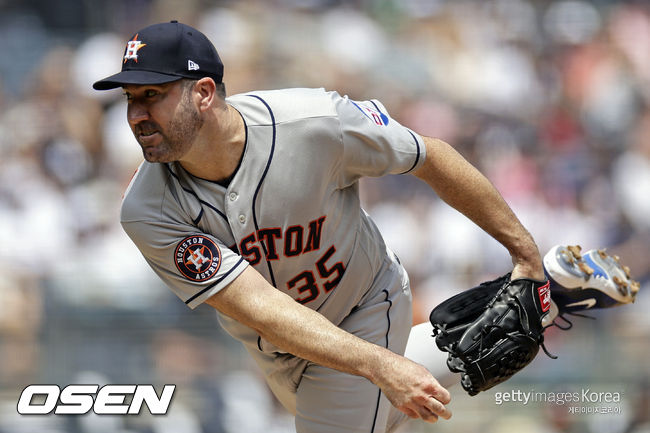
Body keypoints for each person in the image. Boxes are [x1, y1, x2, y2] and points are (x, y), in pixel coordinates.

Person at [93, 21, 638, 433]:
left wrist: (524, 251)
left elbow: (429, 156)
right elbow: (261, 310)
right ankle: (553, 293)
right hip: (286, 355)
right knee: (408, 393)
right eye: (131, 99)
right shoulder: (147, 209)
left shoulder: (314, 123)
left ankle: (542, 284)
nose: (137, 114)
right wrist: (385, 369)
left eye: (153, 95)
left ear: (204, 93)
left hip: (366, 306)